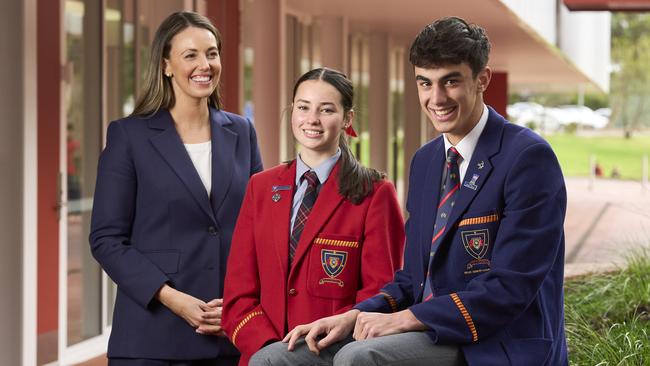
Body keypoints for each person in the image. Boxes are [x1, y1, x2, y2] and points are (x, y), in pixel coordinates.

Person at [281, 17, 569, 366]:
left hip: (496, 343)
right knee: (278, 358)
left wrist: (406, 319)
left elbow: (510, 288)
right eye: (425, 83)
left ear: (482, 80)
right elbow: (412, 278)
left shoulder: (528, 158)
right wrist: (354, 314)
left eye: (450, 81)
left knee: (360, 357)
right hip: (426, 329)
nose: (436, 98)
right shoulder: (426, 161)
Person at [89, 11, 262, 365]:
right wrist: (171, 297)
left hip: (229, 335)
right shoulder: (129, 136)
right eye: (191, 55)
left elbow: (259, 225)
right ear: (166, 64)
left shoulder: (242, 132)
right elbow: (106, 239)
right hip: (153, 338)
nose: (205, 64)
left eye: (212, 53)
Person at [221, 68, 405, 365]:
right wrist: (272, 351)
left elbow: (381, 294)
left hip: (332, 355)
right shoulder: (261, 187)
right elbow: (237, 294)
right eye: (303, 107)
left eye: (327, 109)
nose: (312, 119)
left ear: (348, 119)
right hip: (263, 355)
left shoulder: (375, 193)